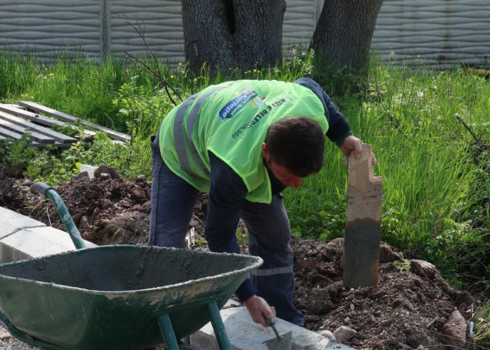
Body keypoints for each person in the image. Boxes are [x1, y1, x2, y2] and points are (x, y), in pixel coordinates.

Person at [148, 77, 369, 328]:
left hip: (235, 129)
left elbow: (310, 84)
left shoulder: (309, 106)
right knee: (164, 248)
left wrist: (343, 135)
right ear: (266, 152)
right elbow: (219, 235)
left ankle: (282, 319)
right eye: (288, 177)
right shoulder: (235, 170)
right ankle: (145, 339)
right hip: (180, 148)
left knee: (274, 236)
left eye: (302, 178)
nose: (296, 185)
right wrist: (248, 296)